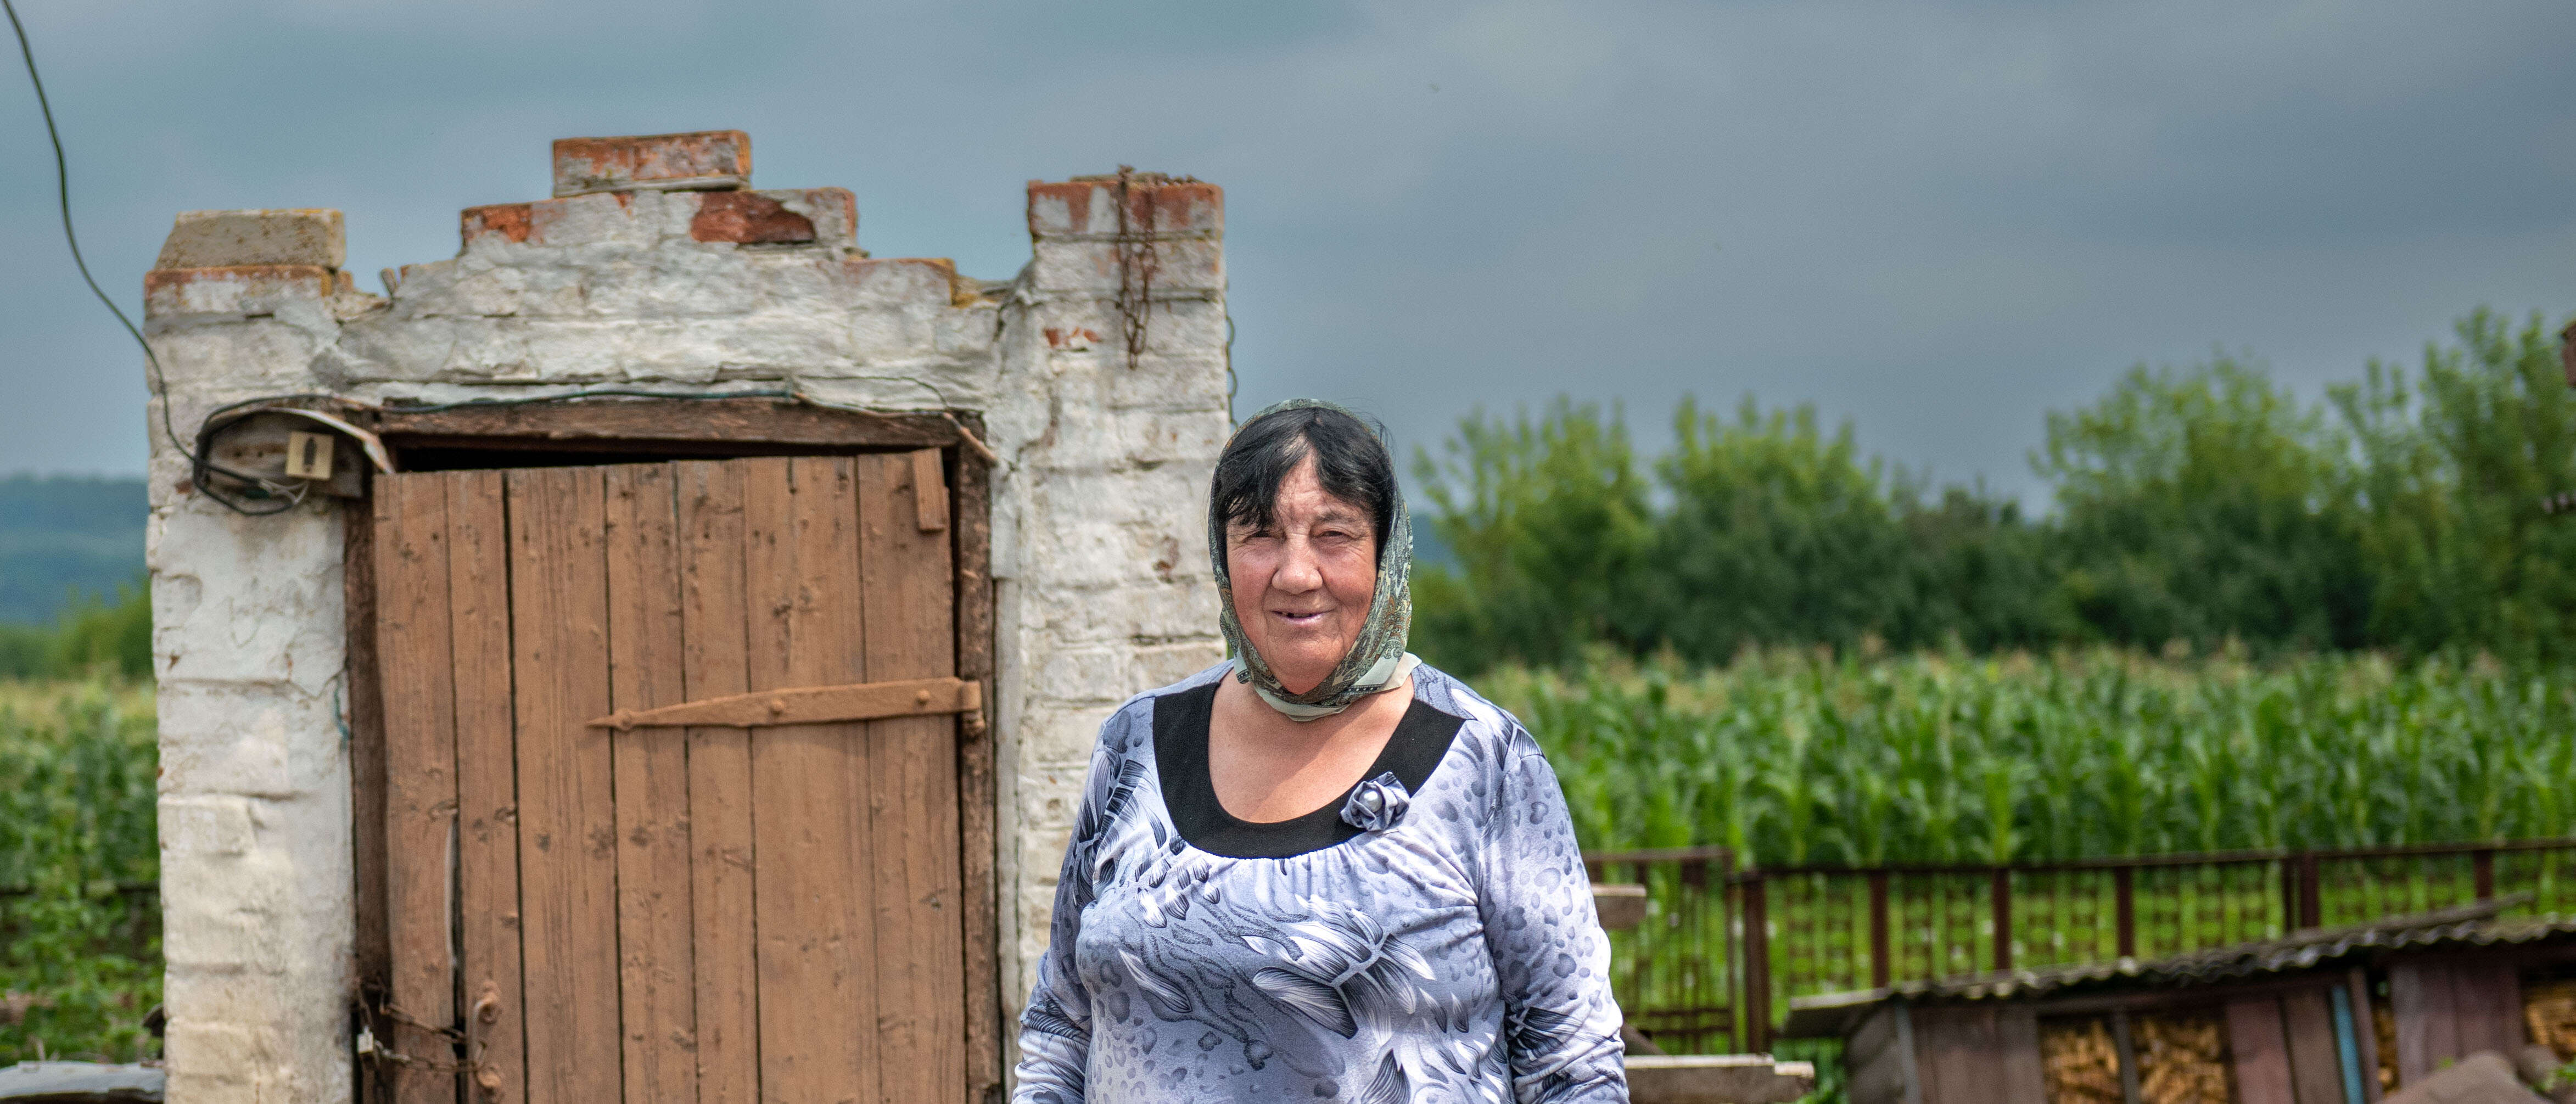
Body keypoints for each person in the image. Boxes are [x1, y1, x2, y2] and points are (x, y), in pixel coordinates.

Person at [1011, 400, 1627, 1103]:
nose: (1297, 573)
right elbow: (1062, 1025)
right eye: (1260, 535)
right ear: (1222, 556)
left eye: (1334, 534)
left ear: (1388, 552)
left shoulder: (1484, 762)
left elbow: (1572, 1064)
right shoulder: (1138, 746)